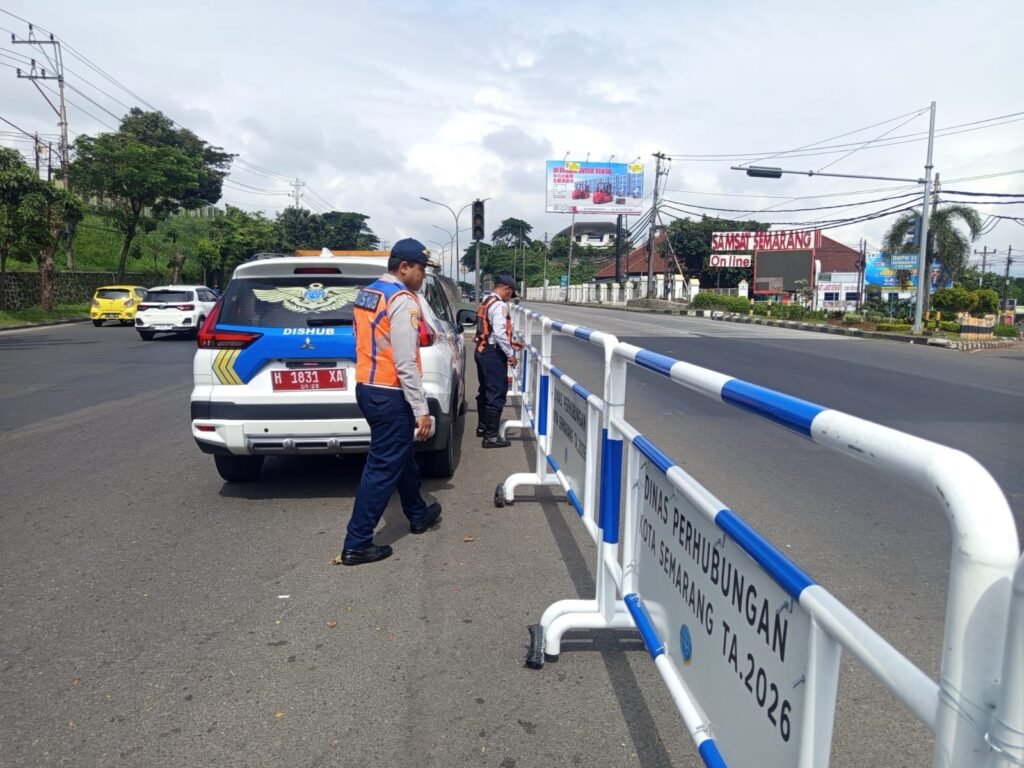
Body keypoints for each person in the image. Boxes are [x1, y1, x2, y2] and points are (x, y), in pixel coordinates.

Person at [340, 239, 443, 566]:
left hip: (367, 387)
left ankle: (417, 513)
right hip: (390, 391)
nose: (423, 276)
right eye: (421, 270)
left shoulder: (368, 293)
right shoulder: (402, 300)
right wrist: (421, 409)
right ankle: (357, 543)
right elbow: (405, 362)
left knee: (400, 454)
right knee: (383, 467)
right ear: (404, 267)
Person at [474, 274, 522, 448]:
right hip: (493, 354)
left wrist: (511, 343)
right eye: (511, 294)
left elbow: (489, 330)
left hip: (481, 350)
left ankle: (483, 427)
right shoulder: (499, 305)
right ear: (507, 289)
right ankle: (491, 437)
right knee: (497, 393)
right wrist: (510, 354)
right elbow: (500, 333)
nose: (510, 298)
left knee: (485, 390)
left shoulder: (486, 301)